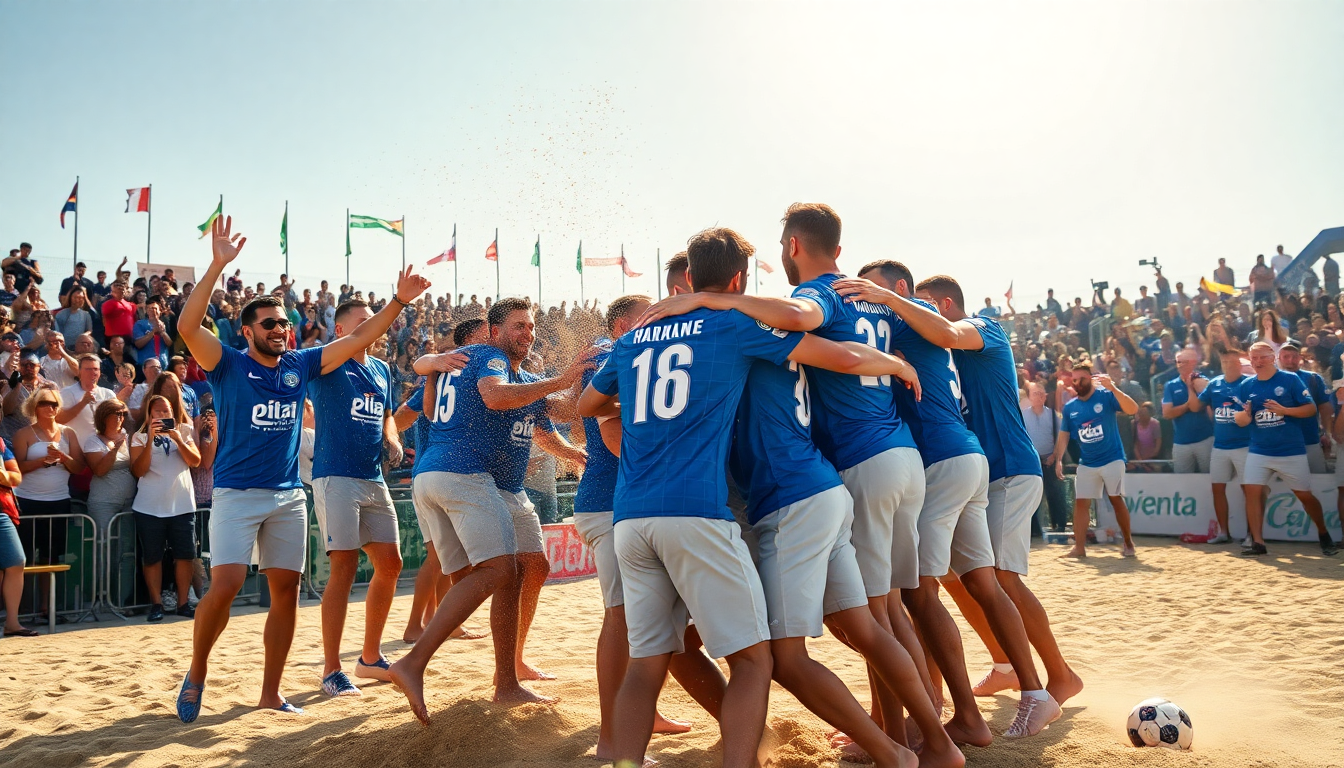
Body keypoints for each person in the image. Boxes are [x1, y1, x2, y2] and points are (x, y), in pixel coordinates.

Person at [580, 226, 961, 768]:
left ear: (687, 281)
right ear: (737, 278)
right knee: (851, 633)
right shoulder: (738, 324)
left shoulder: (634, 339)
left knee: (750, 658)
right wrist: (897, 363)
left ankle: (893, 750)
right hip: (809, 489)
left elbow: (589, 407)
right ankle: (927, 747)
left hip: (681, 510)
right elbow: (843, 356)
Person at [173, 215, 431, 722]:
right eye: (269, 323)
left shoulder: (301, 364)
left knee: (286, 595)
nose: (281, 329)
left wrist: (398, 301)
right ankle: (197, 672)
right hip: (236, 494)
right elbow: (186, 327)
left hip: (289, 495)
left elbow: (359, 341)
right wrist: (217, 265)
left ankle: (270, 693)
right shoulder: (226, 362)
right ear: (247, 331)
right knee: (224, 587)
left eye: (285, 323)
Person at [836, 263, 1060, 739]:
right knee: (983, 583)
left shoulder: (914, 310)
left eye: (871, 285)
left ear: (898, 286)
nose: (862, 295)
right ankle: (1034, 692)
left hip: (942, 461)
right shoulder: (905, 322)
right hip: (966, 457)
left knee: (920, 593)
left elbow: (939, 331)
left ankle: (944, 712)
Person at [886, 274, 1086, 711]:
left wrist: (890, 302)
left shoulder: (983, 327)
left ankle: (1061, 675)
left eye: (920, 305)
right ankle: (1004, 665)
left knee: (999, 579)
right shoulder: (943, 354)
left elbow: (942, 331)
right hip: (978, 473)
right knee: (956, 578)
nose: (913, 314)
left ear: (941, 303)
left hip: (1009, 470)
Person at [391, 296, 588, 721]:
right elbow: (494, 398)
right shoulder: (489, 357)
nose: (528, 333)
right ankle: (421, 662)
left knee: (531, 565)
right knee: (498, 571)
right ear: (494, 332)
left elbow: (554, 416)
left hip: (472, 480)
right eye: (518, 325)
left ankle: (511, 669)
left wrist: (589, 385)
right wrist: (562, 379)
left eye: (531, 326)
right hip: (465, 474)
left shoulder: (522, 376)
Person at [570, 295, 726, 759]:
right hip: (612, 505)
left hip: (625, 504)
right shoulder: (608, 353)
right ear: (623, 323)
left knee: (661, 626)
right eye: (647, 314)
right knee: (622, 618)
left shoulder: (630, 355)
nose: (661, 318)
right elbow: (612, 435)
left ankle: (642, 715)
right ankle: (610, 738)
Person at [306, 299, 406, 697]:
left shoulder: (381, 369)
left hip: (372, 476)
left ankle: (368, 658)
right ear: (342, 329)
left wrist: (393, 436)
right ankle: (332, 669)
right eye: (364, 321)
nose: (374, 328)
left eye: (375, 321)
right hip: (335, 476)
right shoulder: (327, 360)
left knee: (391, 563)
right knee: (344, 568)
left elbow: (386, 413)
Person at [1234, 342, 1337, 557]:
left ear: (1273, 357)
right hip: (1259, 450)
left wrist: (1285, 411)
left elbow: (1310, 409)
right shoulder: (1246, 385)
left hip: (1290, 450)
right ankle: (1258, 543)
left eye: (1262, 357)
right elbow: (1240, 420)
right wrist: (1246, 415)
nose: (1258, 362)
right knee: (1252, 492)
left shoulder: (1290, 379)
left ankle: (1323, 533)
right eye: (1254, 358)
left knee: (1305, 496)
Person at [1052, 361, 1139, 558]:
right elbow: (1064, 434)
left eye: (1081, 379)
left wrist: (1114, 388)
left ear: (1090, 378)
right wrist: (1058, 458)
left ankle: (1128, 542)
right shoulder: (1070, 407)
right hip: (1087, 462)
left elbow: (1133, 409)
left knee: (1116, 499)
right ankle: (1079, 548)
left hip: (1112, 458)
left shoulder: (1106, 396)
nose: (1077, 383)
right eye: (1073, 380)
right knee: (1081, 503)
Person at [12, 388, 85, 612]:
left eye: (54, 403)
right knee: (22, 559)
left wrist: (64, 458)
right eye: (45, 403)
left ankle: (46, 608)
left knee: (50, 558)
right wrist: (42, 462)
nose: (51, 407)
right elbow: (17, 469)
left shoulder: (69, 433)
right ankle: (21, 610)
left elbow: (79, 467)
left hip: (59, 501)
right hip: (27, 501)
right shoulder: (23, 434)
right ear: (35, 407)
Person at [130, 394, 200, 622]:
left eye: (165, 410)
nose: (162, 415)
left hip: (181, 504)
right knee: (152, 557)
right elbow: (138, 470)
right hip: (149, 506)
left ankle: (183, 603)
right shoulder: (139, 437)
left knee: (185, 556)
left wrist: (179, 440)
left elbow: (195, 461)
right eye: (157, 412)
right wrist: (150, 439)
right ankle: (156, 603)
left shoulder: (185, 431)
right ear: (149, 415)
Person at [1198, 347, 1251, 544]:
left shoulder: (1249, 383)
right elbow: (1198, 405)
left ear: (1240, 363)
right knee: (1217, 488)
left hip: (1245, 445)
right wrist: (1191, 384)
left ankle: (1251, 534)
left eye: (1231, 361)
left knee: (1249, 490)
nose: (1227, 365)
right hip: (1220, 446)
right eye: (1224, 362)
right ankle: (1223, 532)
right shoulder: (1214, 383)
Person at [1278, 341, 1332, 473]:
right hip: (1280, 443)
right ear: (1278, 358)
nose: (1291, 360)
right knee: (1283, 488)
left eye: (1294, 356)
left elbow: (1325, 408)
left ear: (1300, 358)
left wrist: (1327, 433)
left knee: (1317, 481)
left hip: (1310, 440)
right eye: (1286, 356)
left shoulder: (1313, 378)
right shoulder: (1271, 379)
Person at [1021, 382, 1069, 531]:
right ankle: (1033, 529)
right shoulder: (1022, 416)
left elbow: (1061, 436)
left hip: (1050, 459)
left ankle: (1060, 525)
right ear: (1029, 396)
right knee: (1031, 496)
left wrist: (1055, 455)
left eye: (1042, 394)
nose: (1039, 397)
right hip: (1030, 460)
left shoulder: (1053, 415)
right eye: (1035, 393)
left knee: (1054, 493)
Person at [0, 431, 33, 637]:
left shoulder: (1, 443)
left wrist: (3, 476)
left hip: (3, 511)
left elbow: (16, 476)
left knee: (16, 561)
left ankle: (12, 623)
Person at [1162, 349, 1214, 472]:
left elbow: (1201, 408)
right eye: (1177, 362)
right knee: (1182, 482)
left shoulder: (1204, 382)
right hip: (1181, 443)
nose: (1179, 365)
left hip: (1205, 440)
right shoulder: (1170, 385)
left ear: (1193, 363)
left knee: (1210, 478)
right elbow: (1167, 413)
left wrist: (1188, 405)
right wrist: (1187, 405)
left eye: (1183, 362)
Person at [57, 354, 117, 446]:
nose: (93, 372)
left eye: (96, 369)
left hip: (103, 449)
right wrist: (83, 403)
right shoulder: (67, 392)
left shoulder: (108, 394)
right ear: (80, 372)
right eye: (88, 369)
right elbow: (59, 419)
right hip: (77, 448)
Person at [133, 297, 173, 372]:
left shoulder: (165, 323)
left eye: (155, 308)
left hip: (163, 363)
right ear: (146, 311)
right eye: (150, 308)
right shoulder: (140, 324)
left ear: (160, 311)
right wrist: (153, 332)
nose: (153, 310)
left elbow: (170, 343)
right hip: (146, 364)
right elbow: (138, 344)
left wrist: (162, 332)